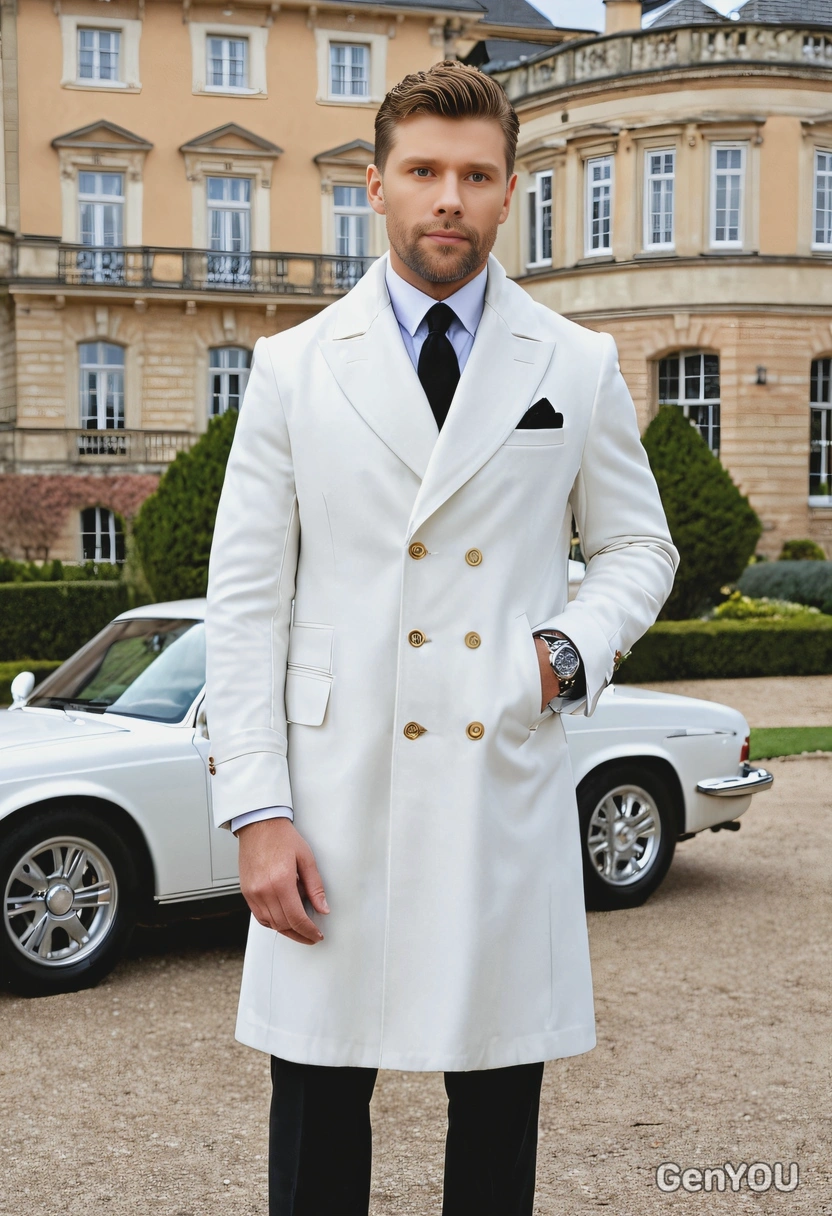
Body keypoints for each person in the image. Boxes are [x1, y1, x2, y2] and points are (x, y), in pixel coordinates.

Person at [204, 60, 679, 1216]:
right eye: (423, 171)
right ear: (375, 185)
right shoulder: (293, 367)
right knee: (317, 1108)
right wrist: (257, 812)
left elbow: (639, 549)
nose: (447, 198)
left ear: (509, 190)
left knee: (497, 1104)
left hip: (492, 777)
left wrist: (558, 658)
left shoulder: (573, 362)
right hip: (332, 790)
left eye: (474, 174)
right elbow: (246, 601)